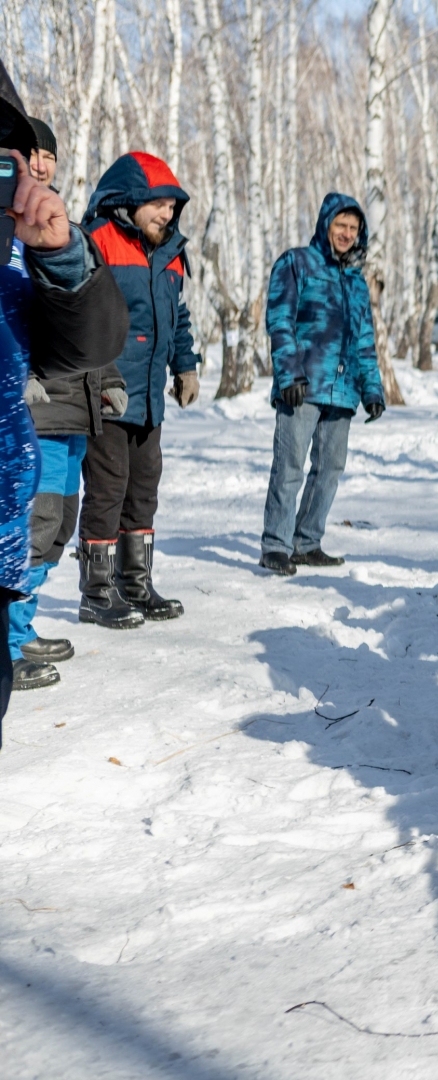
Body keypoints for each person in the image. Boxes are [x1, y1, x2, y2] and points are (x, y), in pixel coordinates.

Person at [0, 63, 132, 735]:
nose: (34, 167)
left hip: (70, 414)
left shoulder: (36, 239)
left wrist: (62, 256)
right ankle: (14, 633)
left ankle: (15, 629)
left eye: (34, 156)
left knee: (55, 523)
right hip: (42, 417)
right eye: (24, 157)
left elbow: (87, 339)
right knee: (42, 520)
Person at [81, 151, 200, 625]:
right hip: (107, 393)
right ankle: (96, 592)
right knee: (107, 489)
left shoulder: (170, 253)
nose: (166, 214)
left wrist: (185, 367)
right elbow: (80, 312)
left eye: (172, 206)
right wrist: (97, 378)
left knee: (144, 488)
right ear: (131, 200)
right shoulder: (99, 239)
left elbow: (178, 316)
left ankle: (135, 584)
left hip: (149, 397)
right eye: (158, 204)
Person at [259, 194, 386, 575]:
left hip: (343, 390)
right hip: (302, 385)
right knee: (290, 467)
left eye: (353, 228)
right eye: (340, 225)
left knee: (330, 469)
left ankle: (307, 542)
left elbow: (365, 339)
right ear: (325, 225)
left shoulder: (357, 282)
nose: (346, 233)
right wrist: (288, 373)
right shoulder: (297, 263)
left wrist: (372, 389)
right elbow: (279, 320)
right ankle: (276, 546)